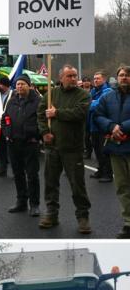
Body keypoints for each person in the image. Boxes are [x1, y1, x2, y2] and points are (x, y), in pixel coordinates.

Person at [38, 64, 92, 234]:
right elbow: (40, 114)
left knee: (77, 185)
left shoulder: (83, 95)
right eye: (69, 76)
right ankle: (51, 214)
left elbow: (79, 113)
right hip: (52, 147)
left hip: (73, 148)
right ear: (61, 77)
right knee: (51, 183)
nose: (73, 79)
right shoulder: (51, 94)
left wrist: (57, 113)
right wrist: (45, 132)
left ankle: (83, 217)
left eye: (75, 75)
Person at [93, 64, 130, 238]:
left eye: (128, 75)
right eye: (122, 75)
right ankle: (128, 222)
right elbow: (98, 115)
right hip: (116, 148)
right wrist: (111, 126)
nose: (124, 78)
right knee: (122, 187)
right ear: (117, 77)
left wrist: (121, 127)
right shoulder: (108, 97)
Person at [2, 74, 42, 216]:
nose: (19, 86)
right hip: (14, 144)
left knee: (32, 175)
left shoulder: (38, 101)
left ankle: (34, 204)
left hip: (30, 144)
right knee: (18, 174)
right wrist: (7, 134)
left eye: (22, 84)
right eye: (18, 84)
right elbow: (4, 118)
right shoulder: (12, 101)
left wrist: (36, 136)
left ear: (29, 86)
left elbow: (42, 121)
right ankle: (21, 202)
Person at [90, 71, 114, 183]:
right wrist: (91, 102)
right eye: (94, 78)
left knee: (104, 151)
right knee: (97, 150)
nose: (95, 80)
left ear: (104, 79)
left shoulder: (107, 91)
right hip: (93, 126)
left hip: (102, 127)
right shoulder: (94, 91)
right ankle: (100, 170)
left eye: (98, 78)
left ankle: (107, 173)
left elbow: (94, 106)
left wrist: (91, 103)